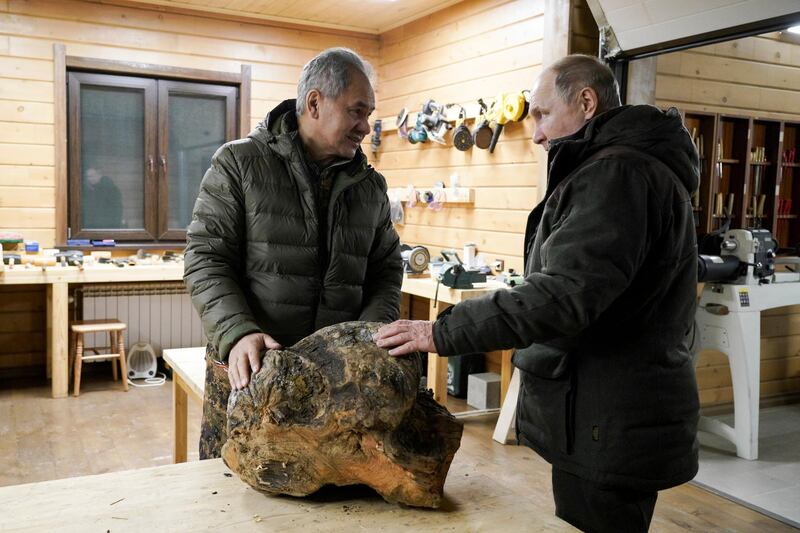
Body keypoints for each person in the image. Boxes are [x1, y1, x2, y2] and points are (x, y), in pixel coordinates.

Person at [375, 54, 700, 532]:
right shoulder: (626, 169)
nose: (537, 134)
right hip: (606, 413)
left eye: (543, 114)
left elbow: (563, 296)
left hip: (608, 418)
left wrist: (440, 331)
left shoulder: (617, 176)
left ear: (586, 102)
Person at [185, 47, 403, 459]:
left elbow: (386, 268)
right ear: (315, 103)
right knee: (229, 493)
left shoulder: (370, 187)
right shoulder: (238, 163)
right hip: (252, 373)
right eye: (357, 111)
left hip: (338, 379)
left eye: (369, 113)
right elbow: (205, 259)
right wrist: (236, 332)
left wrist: (370, 335)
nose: (365, 126)